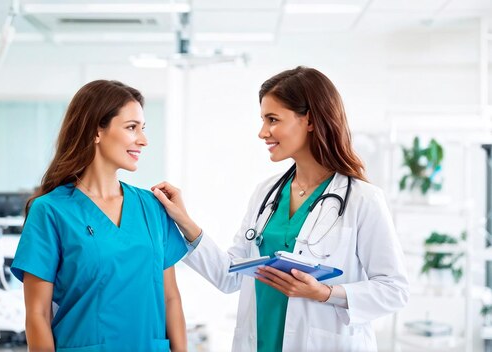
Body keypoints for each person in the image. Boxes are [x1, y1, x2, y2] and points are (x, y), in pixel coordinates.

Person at [151, 66, 409, 352]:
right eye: (263, 120)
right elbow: (230, 275)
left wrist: (325, 293)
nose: (263, 133)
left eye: (272, 120)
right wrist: (184, 221)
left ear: (309, 120)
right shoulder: (266, 193)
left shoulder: (362, 199)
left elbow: (394, 289)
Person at [11, 80, 188, 352]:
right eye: (132, 127)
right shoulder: (50, 211)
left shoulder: (152, 207)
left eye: (143, 128)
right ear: (96, 131)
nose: (143, 140)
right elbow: (37, 314)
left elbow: (170, 298)